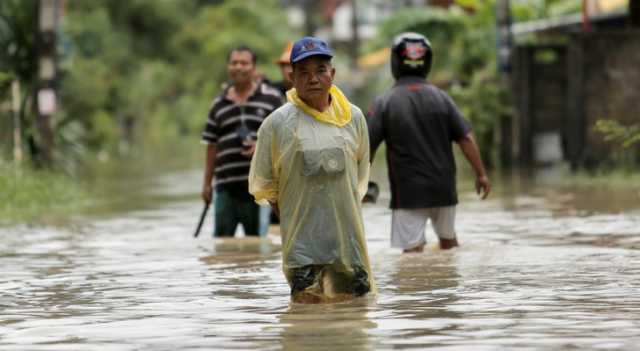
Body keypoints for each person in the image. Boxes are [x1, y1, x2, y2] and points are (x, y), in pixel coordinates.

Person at [248, 37, 375, 303]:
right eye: (303, 73)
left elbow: (362, 169)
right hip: (302, 245)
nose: (313, 79)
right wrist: (293, 222)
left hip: (347, 241)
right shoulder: (277, 124)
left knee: (353, 313)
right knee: (305, 317)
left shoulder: (354, 118)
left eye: (320, 70)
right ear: (291, 77)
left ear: (333, 74)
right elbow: (266, 184)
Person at [367, 32, 491, 253]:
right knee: (449, 245)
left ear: (395, 62)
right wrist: (481, 174)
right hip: (444, 189)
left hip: (408, 193)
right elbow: (466, 138)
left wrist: (360, 182)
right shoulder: (442, 98)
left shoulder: (385, 102)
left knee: (412, 256)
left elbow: (367, 146)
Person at [201, 45, 284, 237]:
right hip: (225, 186)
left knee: (257, 245)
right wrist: (206, 184)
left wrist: (261, 147)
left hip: (259, 189)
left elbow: (286, 138)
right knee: (222, 243)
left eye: (244, 63)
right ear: (228, 67)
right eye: (234, 63)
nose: (239, 67)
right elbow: (211, 145)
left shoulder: (271, 99)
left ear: (253, 68)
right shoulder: (218, 104)